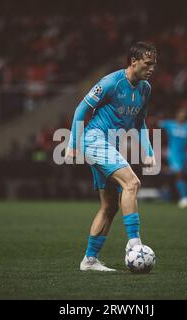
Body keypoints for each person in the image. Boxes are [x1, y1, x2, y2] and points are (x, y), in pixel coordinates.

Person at [65, 42, 157, 271]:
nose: (152, 68)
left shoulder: (145, 89)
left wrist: (148, 151)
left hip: (111, 145)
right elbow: (81, 110)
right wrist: (72, 144)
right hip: (95, 139)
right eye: (148, 64)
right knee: (132, 182)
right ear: (133, 62)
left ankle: (89, 260)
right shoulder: (110, 83)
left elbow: (140, 123)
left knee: (109, 207)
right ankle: (134, 244)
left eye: (154, 64)